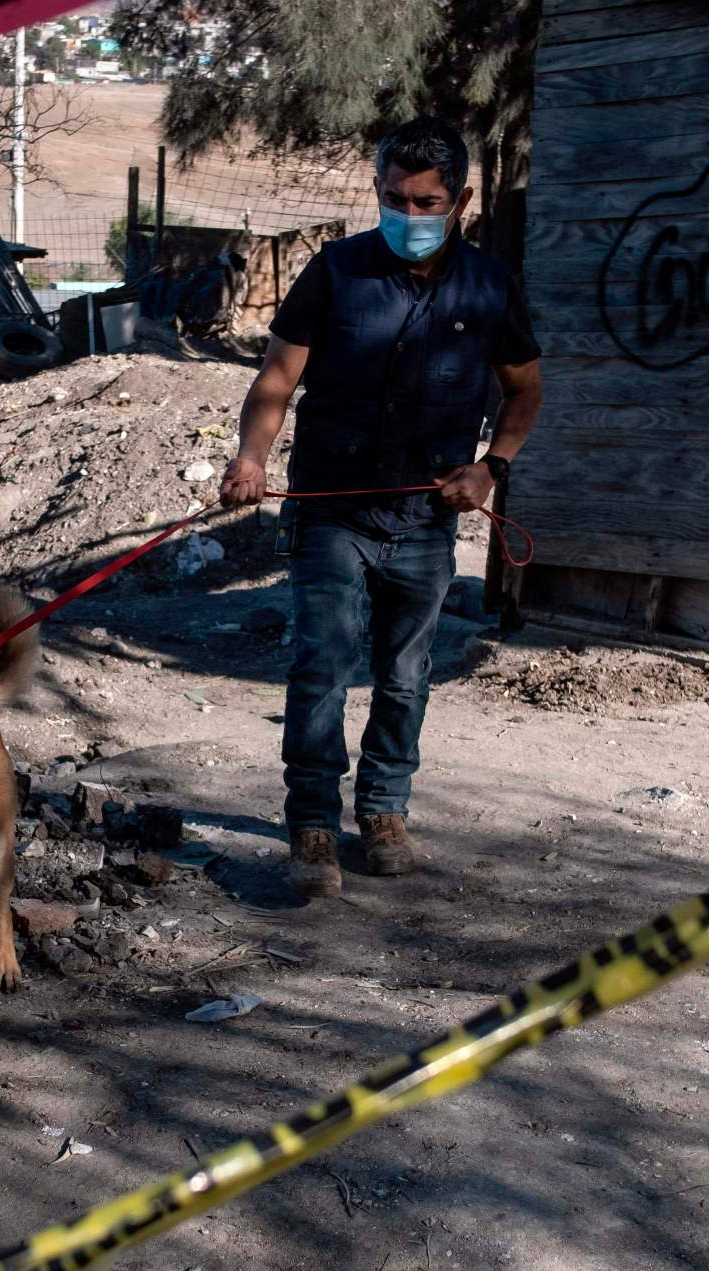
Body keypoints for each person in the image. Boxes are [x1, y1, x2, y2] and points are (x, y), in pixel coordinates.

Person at [219, 116, 544, 898]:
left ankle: (385, 810)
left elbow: (525, 389)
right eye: (394, 198)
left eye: (426, 201)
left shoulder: (491, 287)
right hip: (331, 512)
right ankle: (312, 826)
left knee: (405, 675)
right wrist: (252, 456)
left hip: (427, 519)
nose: (409, 215)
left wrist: (491, 467)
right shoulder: (335, 273)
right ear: (376, 192)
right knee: (322, 667)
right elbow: (275, 381)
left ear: (460, 199)